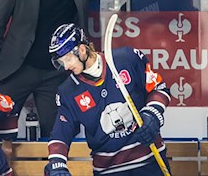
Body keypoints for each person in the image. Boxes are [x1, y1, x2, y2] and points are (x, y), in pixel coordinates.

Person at [0, 0, 163, 159]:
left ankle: (52, 169)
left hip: (55, 72)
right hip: (20, 67)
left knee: (56, 131)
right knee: (1, 132)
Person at [44, 23, 171, 175]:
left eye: (68, 59)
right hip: (108, 170)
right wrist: (57, 163)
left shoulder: (126, 59)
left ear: (82, 50)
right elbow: (61, 133)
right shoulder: (68, 91)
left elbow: (159, 88)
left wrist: (152, 115)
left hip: (150, 160)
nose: (65, 67)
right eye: (61, 62)